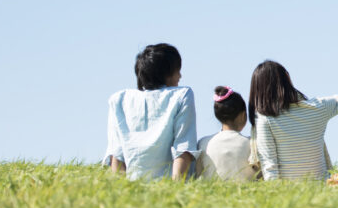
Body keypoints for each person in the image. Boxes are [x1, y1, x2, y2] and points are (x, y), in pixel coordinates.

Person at [248, 60, 338, 181]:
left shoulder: (265, 119)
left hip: (289, 189)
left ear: (257, 90)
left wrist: (276, 196)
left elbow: (269, 163)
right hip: (322, 185)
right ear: (287, 79)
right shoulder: (317, 107)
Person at [104, 43, 199, 180]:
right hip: (167, 186)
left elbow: (117, 156)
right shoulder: (182, 95)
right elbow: (183, 149)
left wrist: (120, 194)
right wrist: (177, 192)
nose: (180, 76)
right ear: (168, 72)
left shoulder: (119, 100)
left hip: (131, 189)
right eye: (178, 70)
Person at [195, 86, 256, 182]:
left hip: (212, 194)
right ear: (243, 115)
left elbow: (197, 175)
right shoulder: (251, 143)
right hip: (245, 195)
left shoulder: (203, 143)